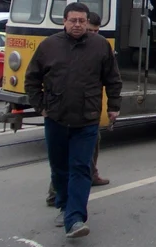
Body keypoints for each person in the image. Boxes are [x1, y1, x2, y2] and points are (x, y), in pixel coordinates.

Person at [25, 2, 122, 239]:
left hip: (86, 119)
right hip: (56, 118)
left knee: (80, 167)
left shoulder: (100, 46)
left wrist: (113, 107)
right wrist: (41, 106)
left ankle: (75, 218)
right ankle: (63, 204)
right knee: (59, 168)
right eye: (73, 20)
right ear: (64, 21)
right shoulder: (49, 46)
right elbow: (32, 79)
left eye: (82, 21)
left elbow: (113, 79)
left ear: (87, 22)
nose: (78, 25)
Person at [45, 11, 110, 206]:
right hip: (63, 113)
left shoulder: (97, 46)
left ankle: (91, 175)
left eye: (97, 31)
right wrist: (42, 105)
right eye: (92, 30)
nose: (94, 34)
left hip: (87, 111)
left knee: (87, 150)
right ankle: (55, 193)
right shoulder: (62, 47)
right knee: (64, 159)